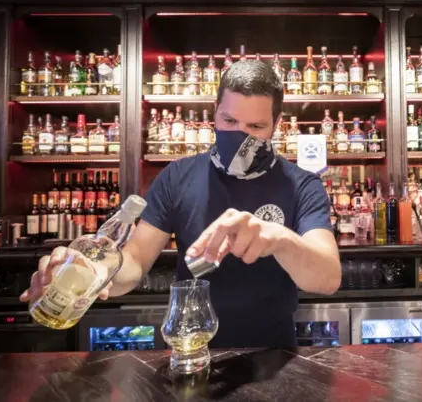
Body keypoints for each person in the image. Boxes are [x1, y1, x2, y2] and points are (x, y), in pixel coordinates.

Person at [20, 60, 342, 348]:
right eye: (228, 121)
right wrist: (94, 272)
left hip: (273, 354)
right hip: (190, 347)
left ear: (277, 123)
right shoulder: (177, 176)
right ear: (214, 112)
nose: (238, 135)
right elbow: (134, 262)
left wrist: (280, 239)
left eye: (255, 127)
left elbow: (327, 279)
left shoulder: (301, 184)